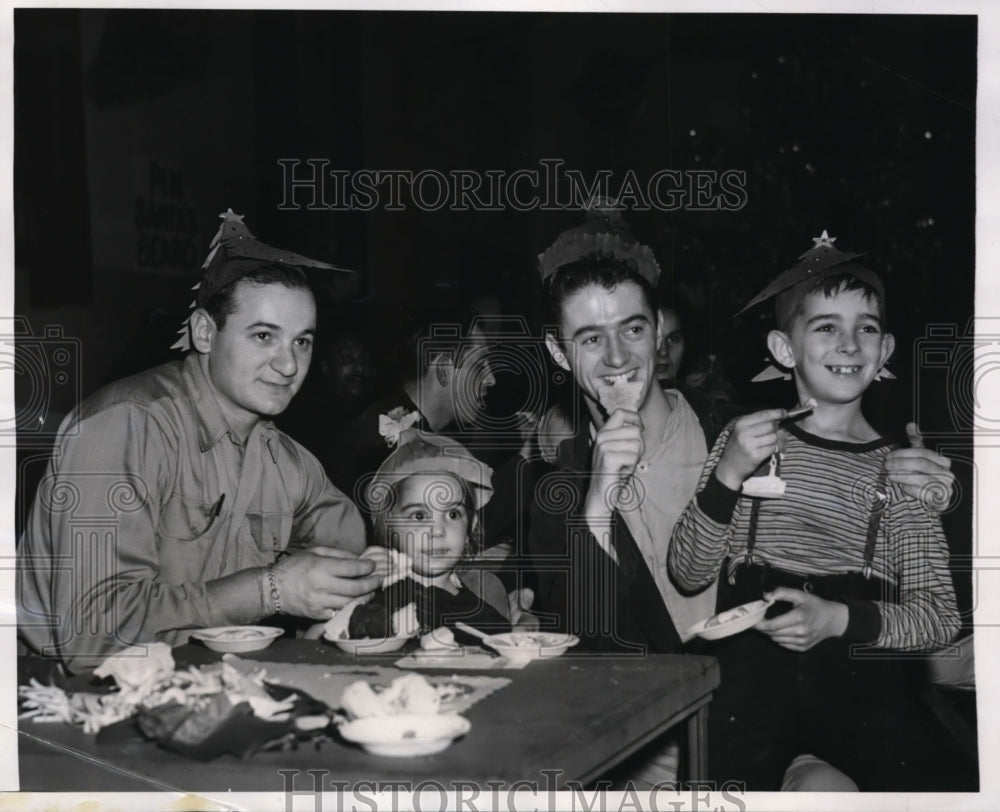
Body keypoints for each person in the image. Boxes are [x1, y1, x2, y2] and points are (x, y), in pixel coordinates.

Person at [667, 231, 975, 790]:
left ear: (885, 352)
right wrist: (730, 474)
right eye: (826, 326)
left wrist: (838, 618)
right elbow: (688, 573)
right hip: (750, 689)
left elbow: (938, 618)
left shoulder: (902, 472)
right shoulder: (748, 444)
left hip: (855, 688)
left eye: (867, 329)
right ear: (785, 350)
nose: (850, 344)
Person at [17, 209, 382, 673]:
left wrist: (355, 580)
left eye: (302, 342)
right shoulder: (125, 426)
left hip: (192, 682)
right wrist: (273, 588)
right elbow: (92, 639)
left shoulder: (282, 457)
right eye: (264, 336)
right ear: (205, 332)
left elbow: (346, 538)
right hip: (49, 696)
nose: (289, 365)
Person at [322, 430, 518, 641]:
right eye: (419, 515)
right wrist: (356, 595)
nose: (437, 530)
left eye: (452, 514)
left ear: (471, 526)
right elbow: (318, 641)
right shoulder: (378, 599)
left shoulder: (484, 613)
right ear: (390, 528)